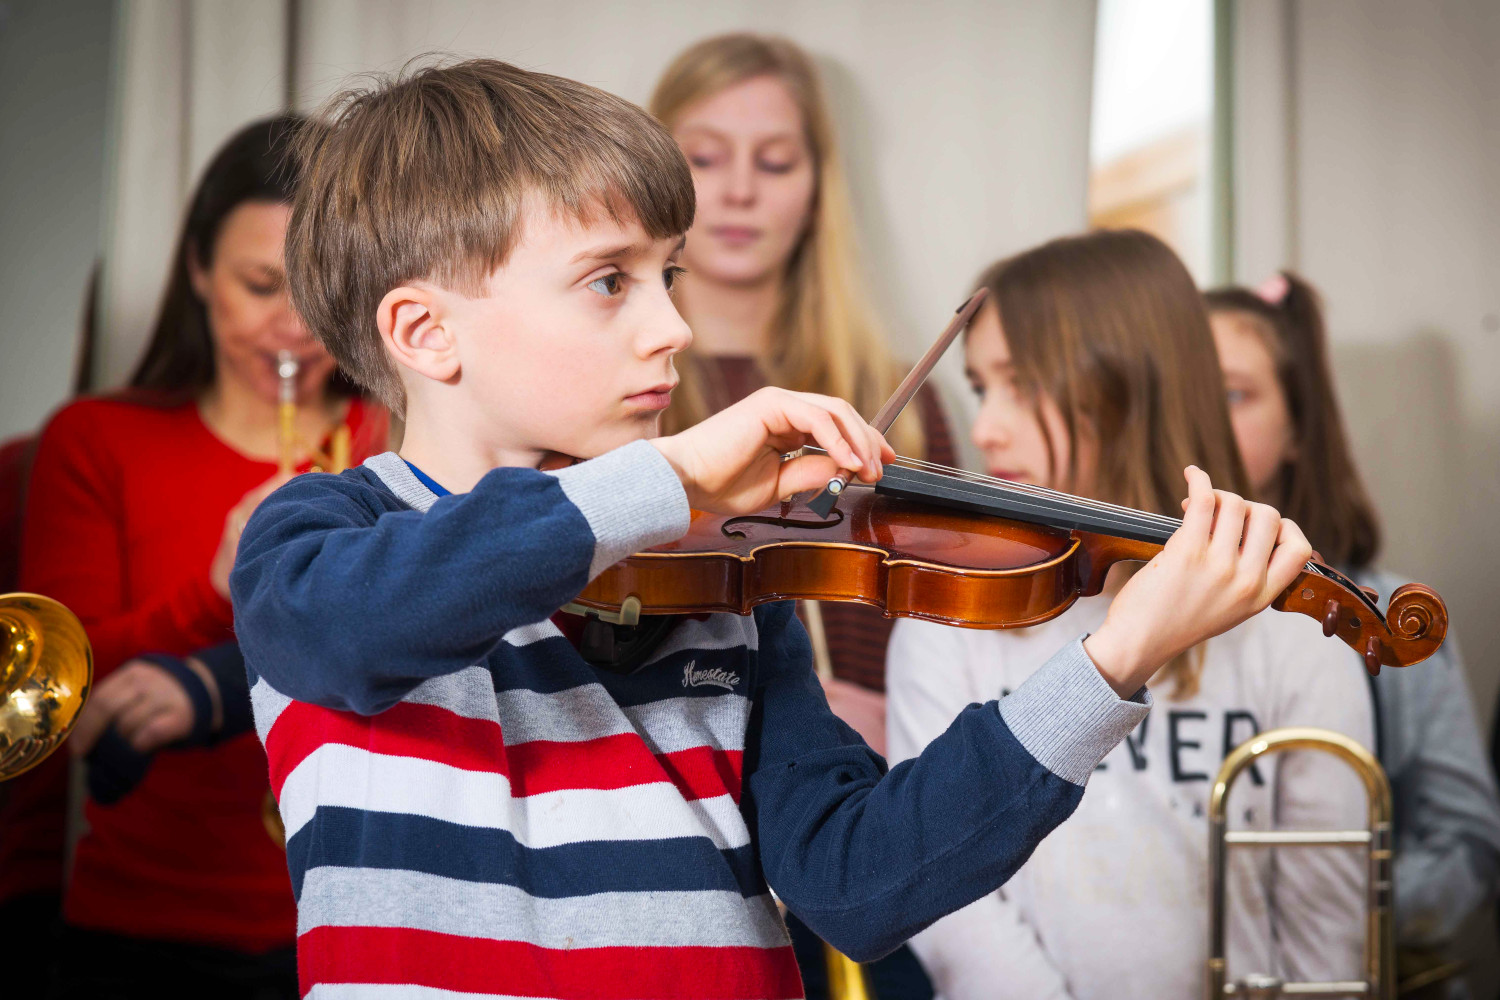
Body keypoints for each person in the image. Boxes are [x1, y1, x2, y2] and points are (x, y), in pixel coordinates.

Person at [231, 60, 1314, 999]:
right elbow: (352, 631)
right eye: (610, 281)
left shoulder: (723, 581)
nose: (674, 327)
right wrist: (670, 472)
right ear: (425, 331)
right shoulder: (324, 541)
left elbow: (858, 884)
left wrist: (1115, 661)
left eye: (668, 275)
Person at [886, 231, 1375, 1000]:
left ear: (1129, 384)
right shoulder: (942, 611)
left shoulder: (1296, 633)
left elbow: (1324, 920)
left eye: (1022, 383)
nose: (984, 429)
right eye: (983, 387)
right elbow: (957, 914)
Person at [19, 114, 388, 999]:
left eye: (318, 287)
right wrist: (212, 590)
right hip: (151, 930)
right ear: (196, 270)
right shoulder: (97, 441)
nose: (294, 327)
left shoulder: (399, 434)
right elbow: (49, 706)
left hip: (366, 915)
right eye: (262, 285)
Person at [650, 33, 957, 755]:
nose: (740, 190)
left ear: (819, 184)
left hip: (863, 769)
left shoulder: (894, 391)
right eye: (704, 157)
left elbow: (942, 623)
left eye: (777, 161)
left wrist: (894, 708)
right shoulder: (611, 390)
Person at [1206, 272, 1500, 967]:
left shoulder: (1387, 611)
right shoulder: (1128, 607)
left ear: (1298, 430)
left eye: (1233, 393)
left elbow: (1466, 849)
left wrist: (1317, 914)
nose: (1204, 416)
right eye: (1184, 390)